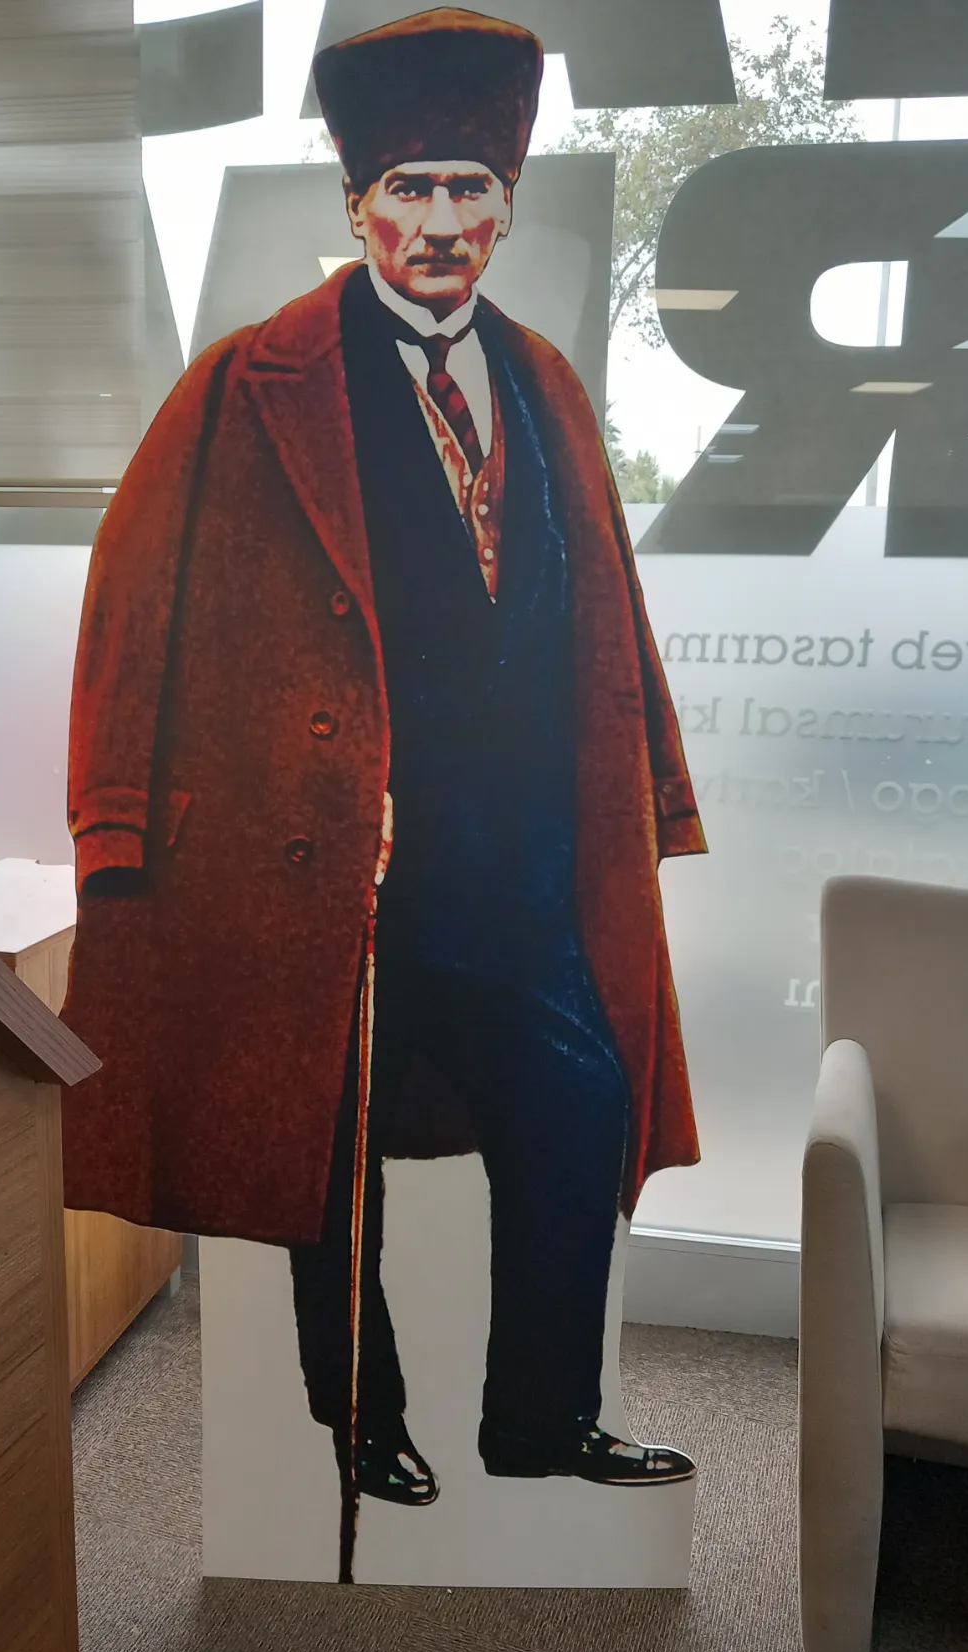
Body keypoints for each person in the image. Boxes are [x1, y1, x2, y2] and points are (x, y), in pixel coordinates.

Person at [61, 7, 706, 1513]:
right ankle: (363, 1418)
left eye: (470, 189)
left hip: (522, 871)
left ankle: (541, 1415)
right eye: (410, 190)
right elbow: (130, 608)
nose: (440, 223)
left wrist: (650, 798)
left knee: (579, 1106)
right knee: (326, 1151)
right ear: (357, 207)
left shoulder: (544, 383)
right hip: (336, 874)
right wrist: (115, 824)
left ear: (506, 206)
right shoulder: (246, 384)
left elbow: (606, 612)